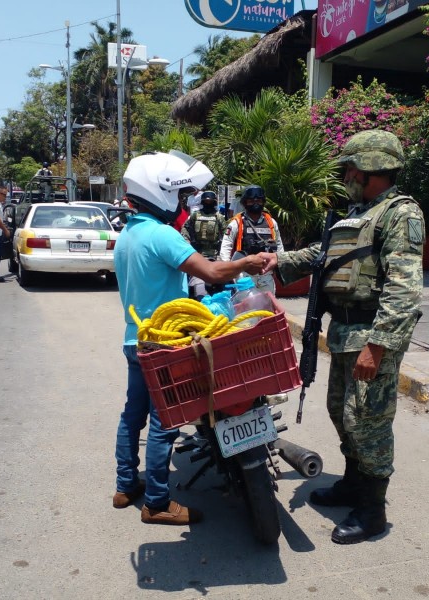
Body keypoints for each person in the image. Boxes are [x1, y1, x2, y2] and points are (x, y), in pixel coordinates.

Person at [262, 129, 425, 545]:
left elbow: (404, 289)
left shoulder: (400, 214)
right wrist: (274, 261)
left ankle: (373, 511)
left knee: (367, 421)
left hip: (372, 334)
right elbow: (323, 255)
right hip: (344, 333)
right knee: (341, 411)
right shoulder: (359, 212)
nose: (346, 173)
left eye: (351, 167)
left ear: (371, 167)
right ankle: (353, 484)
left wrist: (379, 344)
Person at [113, 151, 269, 527]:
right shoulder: (161, 234)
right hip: (166, 343)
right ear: (161, 193)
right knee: (165, 422)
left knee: (133, 414)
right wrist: (246, 263)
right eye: (181, 197)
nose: (184, 204)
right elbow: (213, 271)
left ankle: (124, 485)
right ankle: (157, 502)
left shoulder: (128, 235)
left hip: (136, 341)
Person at [219, 185, 284, 293]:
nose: (255, 203)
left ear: (263, 202)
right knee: (246, 308)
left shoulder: (271, 222)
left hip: (266, 275)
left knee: (267, 308)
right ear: (245, 203)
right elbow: (226, 246)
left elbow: (279, 245)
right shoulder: (237, 222)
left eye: (258, 200)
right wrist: (228, 271)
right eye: (251, 201)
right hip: (243, 275)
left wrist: (281, 266)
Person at [181, 191, 228, 299]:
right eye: (206, 202)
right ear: (202, 202)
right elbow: (185, 228)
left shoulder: (218, 217)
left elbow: (226, 234)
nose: (208, 203)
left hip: (215, 254)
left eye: (210, 202)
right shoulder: (195, 215)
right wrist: (186, 240)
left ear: (214, 203)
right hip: (198, 252)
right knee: (198, 284)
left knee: (223, 281)